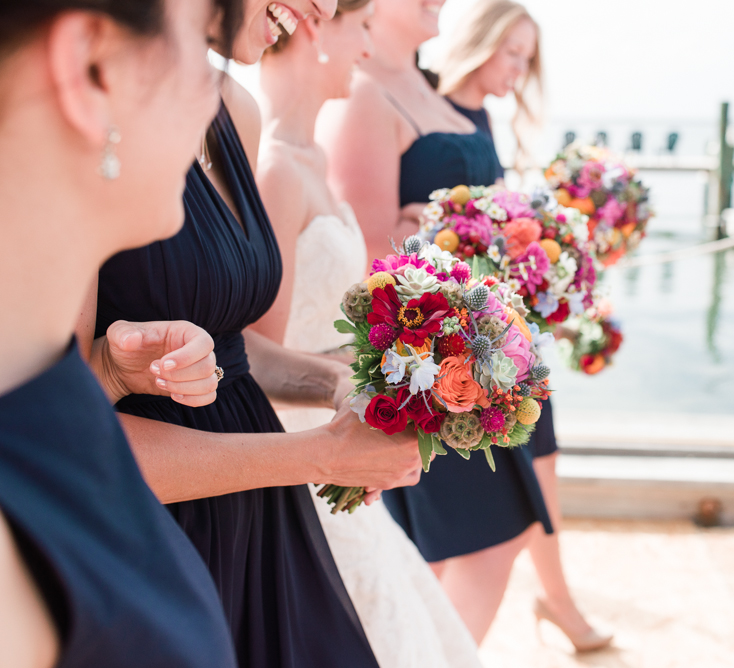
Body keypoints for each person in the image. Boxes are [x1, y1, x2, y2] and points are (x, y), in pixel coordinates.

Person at [80, 1, 427, 667]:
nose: (321, 10)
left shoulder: (233, 108)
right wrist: (321, 457)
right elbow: (70, 424)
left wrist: (338, 387)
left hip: (259, 517)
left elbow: (235, 345)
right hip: (154, 535)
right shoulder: (94, 117)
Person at [0, 0, 245, 666]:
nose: (215, 98)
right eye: (209, 41)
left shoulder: (41, 382)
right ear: (93, 70)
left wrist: (103, 376)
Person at [316, 0, 554, 645]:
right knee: (471, 540)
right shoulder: (363, 95)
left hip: (475, 350)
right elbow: (363, 260)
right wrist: (449, 232)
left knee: (475, 541)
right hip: (424, 357)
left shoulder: (423, 85)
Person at [253, 5, 482, 667]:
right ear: (314, 26)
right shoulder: (275, 169)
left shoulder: (312, 155)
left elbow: (338, 307)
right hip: (304, 434)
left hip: (343, 414)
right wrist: (364, 386)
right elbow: (259, 347)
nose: (365, 47)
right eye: (358, 27)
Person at [436, 0, 613, 652]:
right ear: (479, 42)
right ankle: (554, 603)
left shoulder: (483, 117)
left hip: (505, 325)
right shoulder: (429, 103)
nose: (518, 67)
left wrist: (560, 277)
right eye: (511, 51)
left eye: (526, 57)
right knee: (521, 480)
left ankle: (556, 598)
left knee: (544, 458)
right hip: (459, 340)